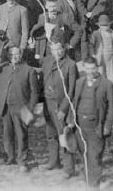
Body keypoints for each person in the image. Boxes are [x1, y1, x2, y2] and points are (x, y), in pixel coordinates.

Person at [0, 46, 39, 169]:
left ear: (21, 55)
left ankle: (22, 160)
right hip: (5, 106)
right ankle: (10, 157)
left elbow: (35, 93)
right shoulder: (3, 68)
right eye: (11, 54)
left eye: (17, 54)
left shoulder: (29, 70)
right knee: (7, 133)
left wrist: (30, 110)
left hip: (22, 107)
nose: (14, 57)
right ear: (8, 56)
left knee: (21, 134)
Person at [70, 57, 113, 188]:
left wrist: (107, 126)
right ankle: (87, 180)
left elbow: (112, 107)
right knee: (83, 154)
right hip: (80, 126)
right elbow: (73, 103)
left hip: (96, 127)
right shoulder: (79, 82)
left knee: (95, 157)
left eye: (93, 68)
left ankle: (94, 185)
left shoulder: (107, 84)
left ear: (97, 68)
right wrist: (70, 122)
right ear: (83, 68)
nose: (90, 71)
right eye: (87, 68)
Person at [40, 40, 78, 176]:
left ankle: (69, 169)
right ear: (50, 50)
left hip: (61, 106)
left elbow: (72, 91)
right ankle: (54, 162)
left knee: (65, 136)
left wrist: (63, 109)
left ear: (64, 48)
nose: (58, 52)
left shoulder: (71, 65)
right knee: (51, 135)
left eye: (60, 49)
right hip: (48, 104)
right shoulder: (47, 61)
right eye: (54, 49)